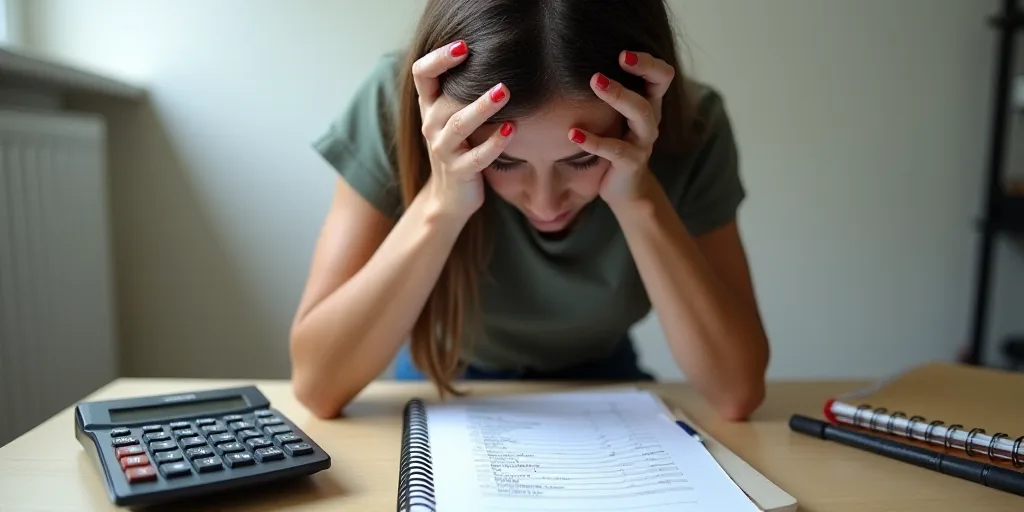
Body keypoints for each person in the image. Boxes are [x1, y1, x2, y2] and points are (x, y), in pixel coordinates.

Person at [289, 0, 770, 421]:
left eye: (583, 157)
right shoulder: (397, 105)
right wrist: (441, 203)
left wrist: (638, 196)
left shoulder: (695, 125)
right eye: (503, 160)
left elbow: (736, 393)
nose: (544, 202)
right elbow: (317, 386)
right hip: (442, 378)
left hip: (605, 383)